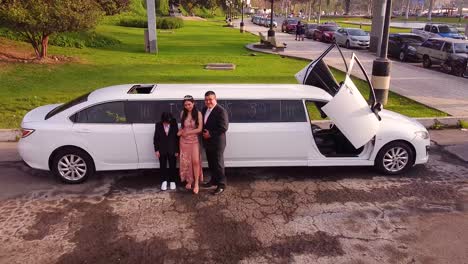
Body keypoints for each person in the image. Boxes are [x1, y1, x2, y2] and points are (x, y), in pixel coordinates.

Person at [201, 91, 229, 195]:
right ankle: (213, 180)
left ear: (215, 99)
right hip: (208, 142)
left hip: (217, 142)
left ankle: (221, 184)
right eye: (206, 100)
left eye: (210, 99)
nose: (208, 101)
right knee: (211, 163)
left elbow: (224, 127)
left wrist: (210, 134)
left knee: (218, 163)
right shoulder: (204, 109)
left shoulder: (221, 111)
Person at [178, 95, 204, 194]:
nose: (187, 106)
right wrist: (180, 132)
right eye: (185, 105)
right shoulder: (182, 113)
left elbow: (199, 129)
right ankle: (189, 180)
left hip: (194, 141)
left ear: (193, 103)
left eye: (189, 104)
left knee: (196, 161)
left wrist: (187, 133)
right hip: (183, 141)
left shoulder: (198, 114)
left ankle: (196, 183)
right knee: (186, 162)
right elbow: (182, 127)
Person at [153, 112, 179, 191]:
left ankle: (172, 181)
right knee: (162, 166)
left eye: (168, 122)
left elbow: (177, 139)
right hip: (162, 149)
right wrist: (156, 150)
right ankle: (163, 181)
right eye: (166, 122)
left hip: (172, 149)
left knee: (172, 166)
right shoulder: (158, 125)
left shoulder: (174, 124)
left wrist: (177, 150)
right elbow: (156, 138)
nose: (167, 123)